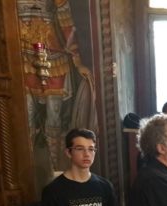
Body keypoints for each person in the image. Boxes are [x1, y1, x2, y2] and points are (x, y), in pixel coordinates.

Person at [17, 0, 97, 173]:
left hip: (54, 60)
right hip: (25, 60)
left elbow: (67, 24)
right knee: (27, 117)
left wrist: (77, 62)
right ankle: (28, 171)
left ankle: (56, 169)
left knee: (54, 120)